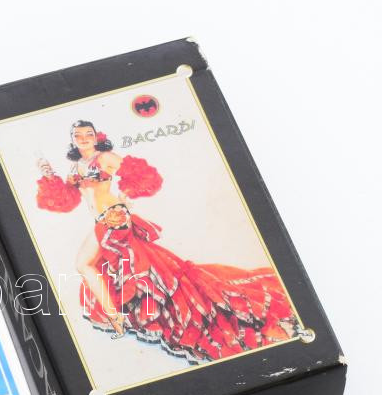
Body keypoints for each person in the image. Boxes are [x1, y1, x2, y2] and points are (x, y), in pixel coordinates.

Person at [35, 120, 299, 363]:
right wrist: (49, 177)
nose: (83, 138)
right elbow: (67, 200)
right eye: (78, 135)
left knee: (84, 264)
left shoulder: (105, 158)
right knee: (132, 267)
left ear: (96, 137)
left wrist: (126, 196)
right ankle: (123, 315)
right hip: (101, 219)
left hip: (113, 217)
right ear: (73, 140)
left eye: (88, 134)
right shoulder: (76, 167)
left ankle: (117, 318)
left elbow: (144, 175)